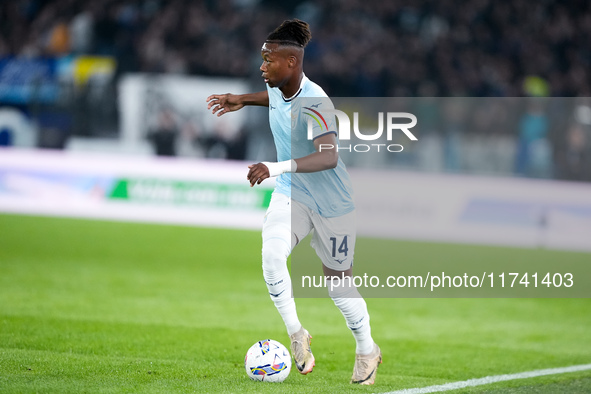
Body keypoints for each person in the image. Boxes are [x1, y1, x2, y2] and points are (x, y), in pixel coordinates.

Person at [207, 19, 381, 385]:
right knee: (272, 254)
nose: (262, 66)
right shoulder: (277, 85)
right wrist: (241, 99)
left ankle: (367, 349)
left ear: (291, 62)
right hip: (293, 193)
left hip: (332, 202)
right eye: (262, 58)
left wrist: (274, 166)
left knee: (338, 286)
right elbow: (271, 99)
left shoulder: (316, 101)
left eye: (268, 60)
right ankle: (297, 333)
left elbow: (329, 156)